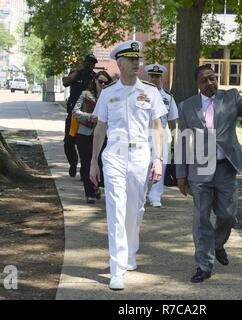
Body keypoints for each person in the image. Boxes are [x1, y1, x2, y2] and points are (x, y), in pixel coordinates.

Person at [176, 65, 242, 283]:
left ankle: (217, 243)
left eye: (212, 78)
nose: (210, 83)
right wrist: (181, 174)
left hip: (225, 167)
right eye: (204, 80)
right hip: (199, 170)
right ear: (197, 84)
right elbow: (181, 140)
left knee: (228, 215)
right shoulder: (186, 106)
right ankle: (204, 265)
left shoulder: (231, 98)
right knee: (201, 218)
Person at [89, 40, 167, 290]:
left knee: (135, 209)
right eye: (131, 60)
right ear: (120, 63)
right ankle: (116, 268)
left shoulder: (151, 92)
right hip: (114, 156)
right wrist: (93, 162)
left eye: (138, 59)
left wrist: (158, 159)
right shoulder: (108, 93)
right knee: (116, 209)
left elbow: (157, 128)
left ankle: (130, 250)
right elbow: (100, 128)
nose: (137, 63)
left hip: (140, 157)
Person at [72, 71, 113, 204]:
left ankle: (96, 186)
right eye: (100, 81)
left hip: (103, 135)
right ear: (95, 81)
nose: (102, 84)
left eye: (106, 83)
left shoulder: (111, 97)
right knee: (86, 164)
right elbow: (75, 111)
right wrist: (90, 117)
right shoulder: (86, 95)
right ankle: (89, 193)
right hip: (85, 133)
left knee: (101, 163)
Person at [144, 63, 179, 208]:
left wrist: (174, 140)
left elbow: (172, 121)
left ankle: (155, 196)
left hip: (161, 134)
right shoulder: (140, 95)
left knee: (161, 166)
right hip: (143, 133)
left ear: (161, 78)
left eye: (157, 76)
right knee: (143, 164)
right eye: (152, 76)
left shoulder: (168, 98)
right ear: (148, 76)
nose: (154, 79)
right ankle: (141, 193)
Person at [62, 53, 98, 177]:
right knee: (68, 143)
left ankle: (84, 170)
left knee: (84, 144)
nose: (91, 65)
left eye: (93, 63)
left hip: (86, 115)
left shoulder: (94, 77)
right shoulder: (75, 73)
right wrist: (79, 70)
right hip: (73, 115)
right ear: (84, 61)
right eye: (89, 62)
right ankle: (73, 163)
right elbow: (66, 82)